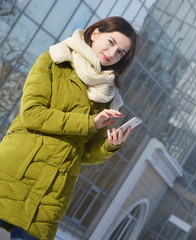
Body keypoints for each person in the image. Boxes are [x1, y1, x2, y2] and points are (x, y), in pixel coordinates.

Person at [0, 16, 138, 240]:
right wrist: (90, 123)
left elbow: (85, 154)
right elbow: (32, 115)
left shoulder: (106, 95)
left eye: (121, 52)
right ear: (95, 34)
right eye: (111, 42)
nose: (113, 53)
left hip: (51, 194)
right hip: (10, 175)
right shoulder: (54, 61)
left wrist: (109, 146)